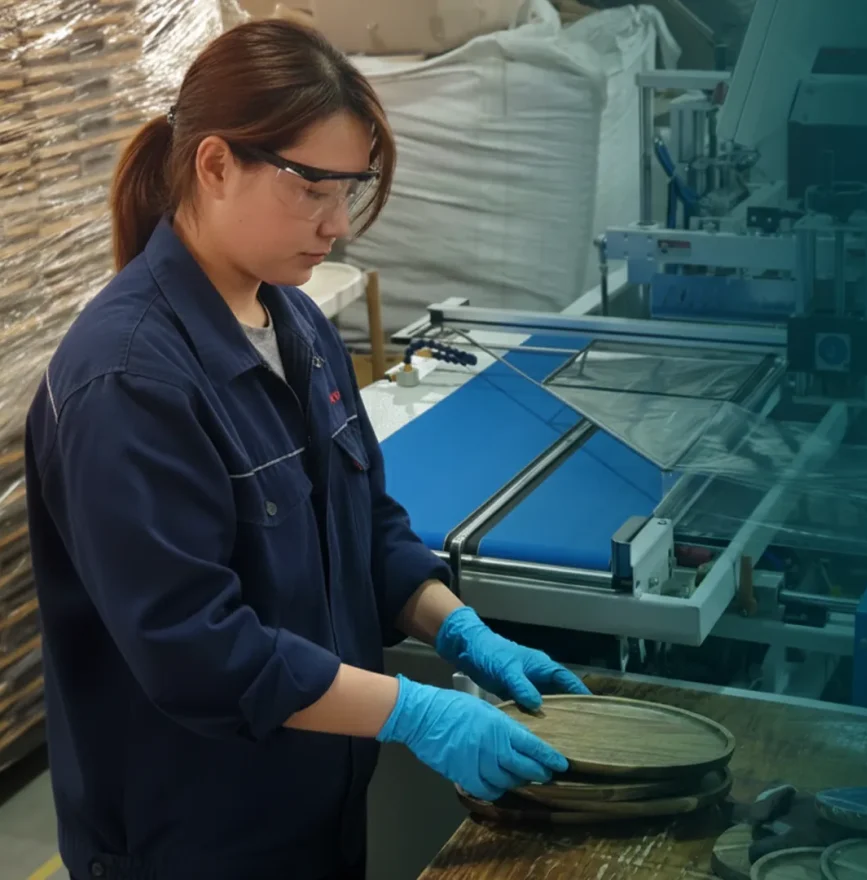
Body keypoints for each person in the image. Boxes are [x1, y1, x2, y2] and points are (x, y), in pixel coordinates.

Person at [25, 19, 590, 880]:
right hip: (194, 843)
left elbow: (367, 527)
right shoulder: (128, 381)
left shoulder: (296, 324)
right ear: (216, 165)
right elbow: (196, 649)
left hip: (314, 814)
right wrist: (414, 713)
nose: (337, 225)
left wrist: (457, 626)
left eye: (350, 191)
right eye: (313, 189)